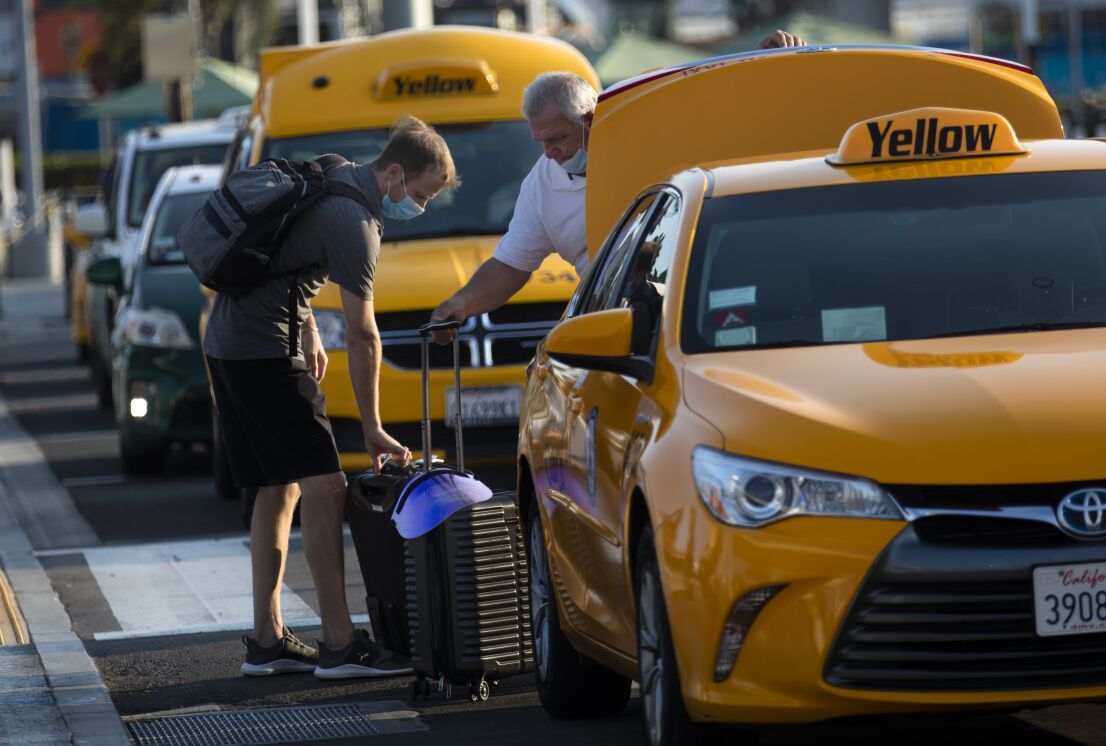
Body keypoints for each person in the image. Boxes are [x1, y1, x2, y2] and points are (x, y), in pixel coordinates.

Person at [204, 115, 458, 679]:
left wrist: (310, 328)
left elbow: (292, 261)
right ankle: (341, 645)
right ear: (395, 173)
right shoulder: (357, 222)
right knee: (326, 485)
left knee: (280, 486)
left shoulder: (338, 175)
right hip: (262, 351)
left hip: (229, 343)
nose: (420, 206)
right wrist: (372, 425)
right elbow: (365, 332)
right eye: (420, 194)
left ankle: (268, 641)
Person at [428, 30, 803, 342]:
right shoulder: (541, 183)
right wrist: (461, 304)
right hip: (616, 325)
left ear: (590, 119)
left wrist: (767, 71)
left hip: (703, 312)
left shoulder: (654, 140)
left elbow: (727, 122)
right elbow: (510, 266)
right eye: (539, 141)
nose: (549, 153)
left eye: (556, 138)